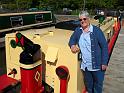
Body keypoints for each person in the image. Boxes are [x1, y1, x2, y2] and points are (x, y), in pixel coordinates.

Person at [68, 11, 109, 93]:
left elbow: (104, 46)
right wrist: (72, 45)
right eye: (80, 20)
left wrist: (104, 62)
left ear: (89, 19)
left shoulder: (96, 31)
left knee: (97, 86)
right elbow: (71, 40)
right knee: (89, 86)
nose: (82, 21)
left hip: (97, 65)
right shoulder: (78, 30)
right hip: (85, 66)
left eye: (84, 19)